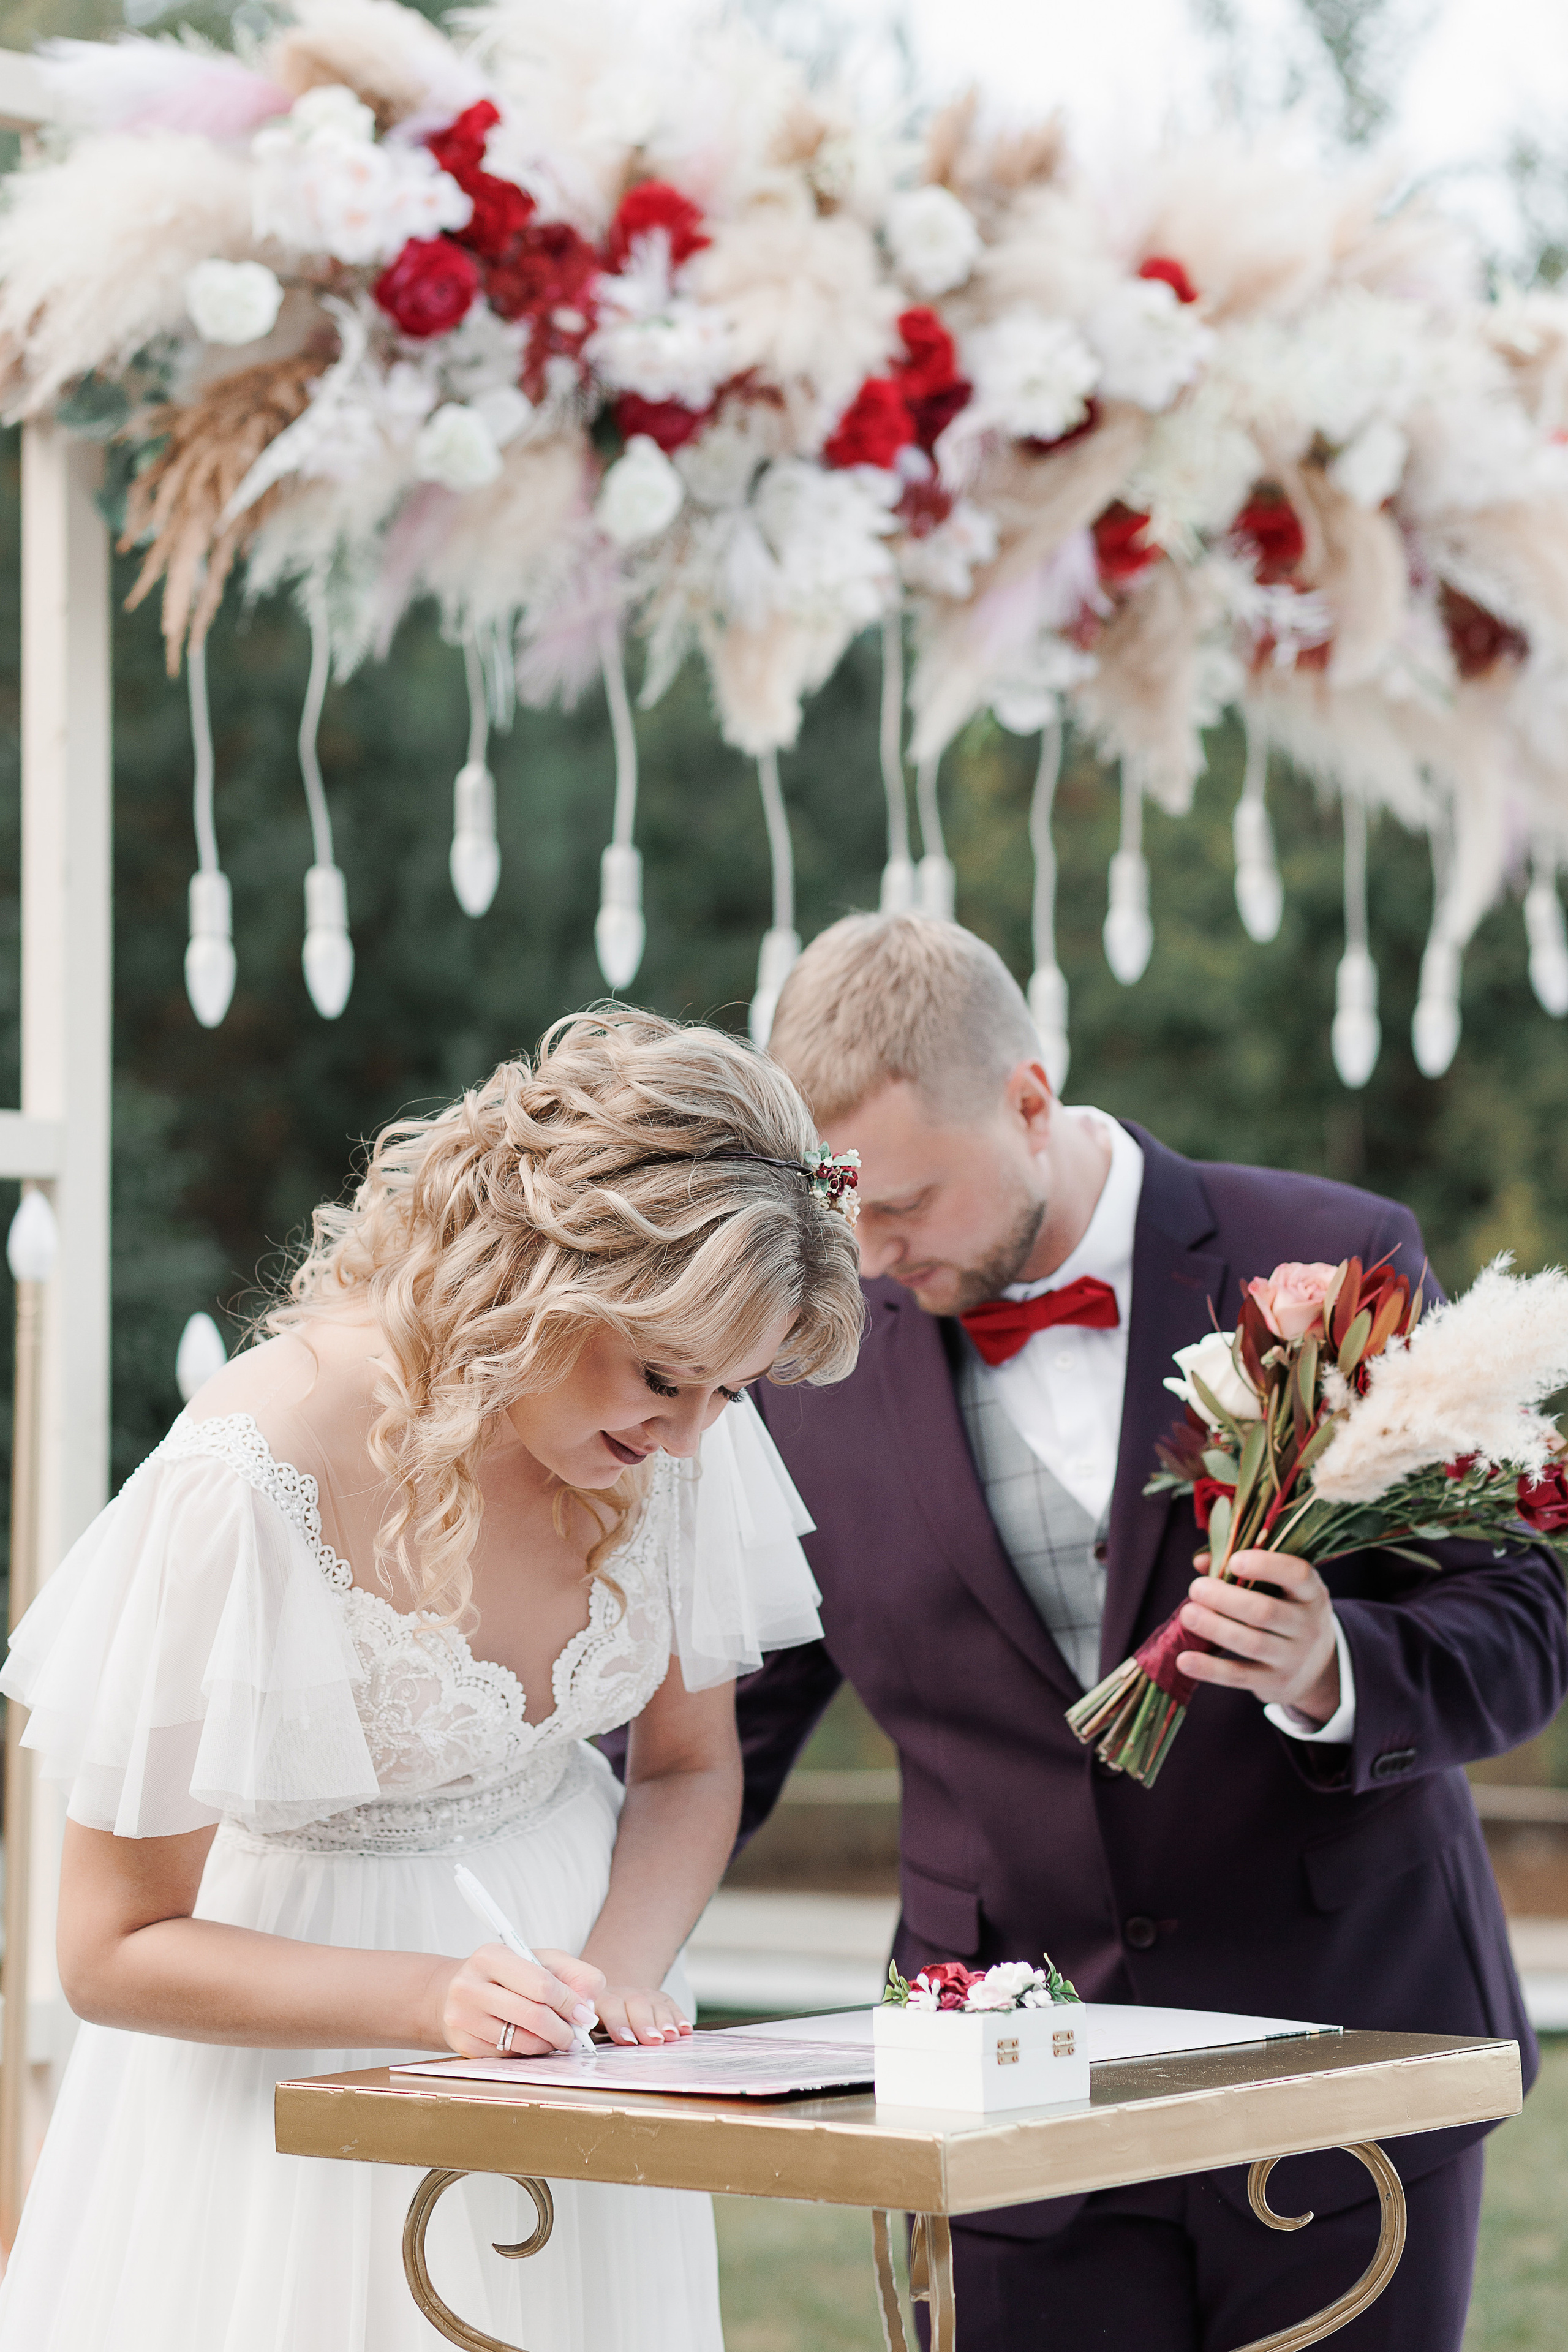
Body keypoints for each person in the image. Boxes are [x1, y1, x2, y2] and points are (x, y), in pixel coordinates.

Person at [736, 913, 1568, 2352]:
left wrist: (1335, 1671)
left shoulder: (1329, 1259)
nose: (865, 1256)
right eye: (835, 1207)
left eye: (905, 1204)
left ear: (1028, 1098)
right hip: (999, 2085)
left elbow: (1522, 1612)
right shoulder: (799, 1360)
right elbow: (729, 1714)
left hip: (1341, 2053)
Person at [0, 1008, 864, 2352]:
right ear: (541, 1281)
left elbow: (692, 1767)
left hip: (575, 2054)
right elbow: (107, 1949)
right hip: (301, 2059)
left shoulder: (667, 1436)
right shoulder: (253, 1472)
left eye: (733, 1393)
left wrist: (620, 1979)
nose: (692, 1437)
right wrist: (426, 2001)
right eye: (664, 1379)